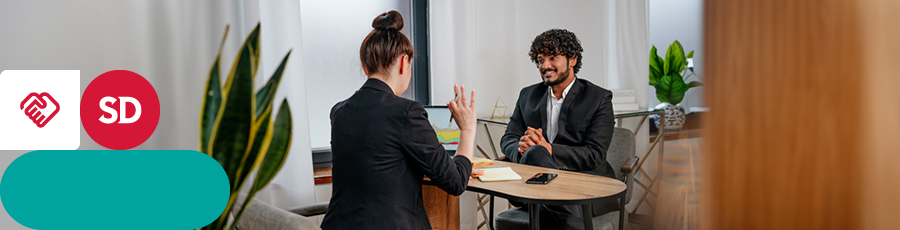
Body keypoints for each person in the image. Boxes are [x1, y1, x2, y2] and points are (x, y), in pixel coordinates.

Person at [321, 10, 477, 230]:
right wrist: (468, 129)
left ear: (365, 67)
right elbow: (456, 182)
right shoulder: (406, 111)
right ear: (404, 62)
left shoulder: (339, 112)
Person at [499, 28, 617, 229]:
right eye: (540, 60)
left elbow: (595, 154)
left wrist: (549, 149)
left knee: (539, 159)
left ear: (572, 59)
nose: (545, 65)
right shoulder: (528, 95)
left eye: (552, 57)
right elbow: (508, 139)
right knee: (535, 152)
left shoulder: (599, 98)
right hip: (533, 184)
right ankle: (570, 220)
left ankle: (559, 212)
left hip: (583, 186)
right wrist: (523, 150)